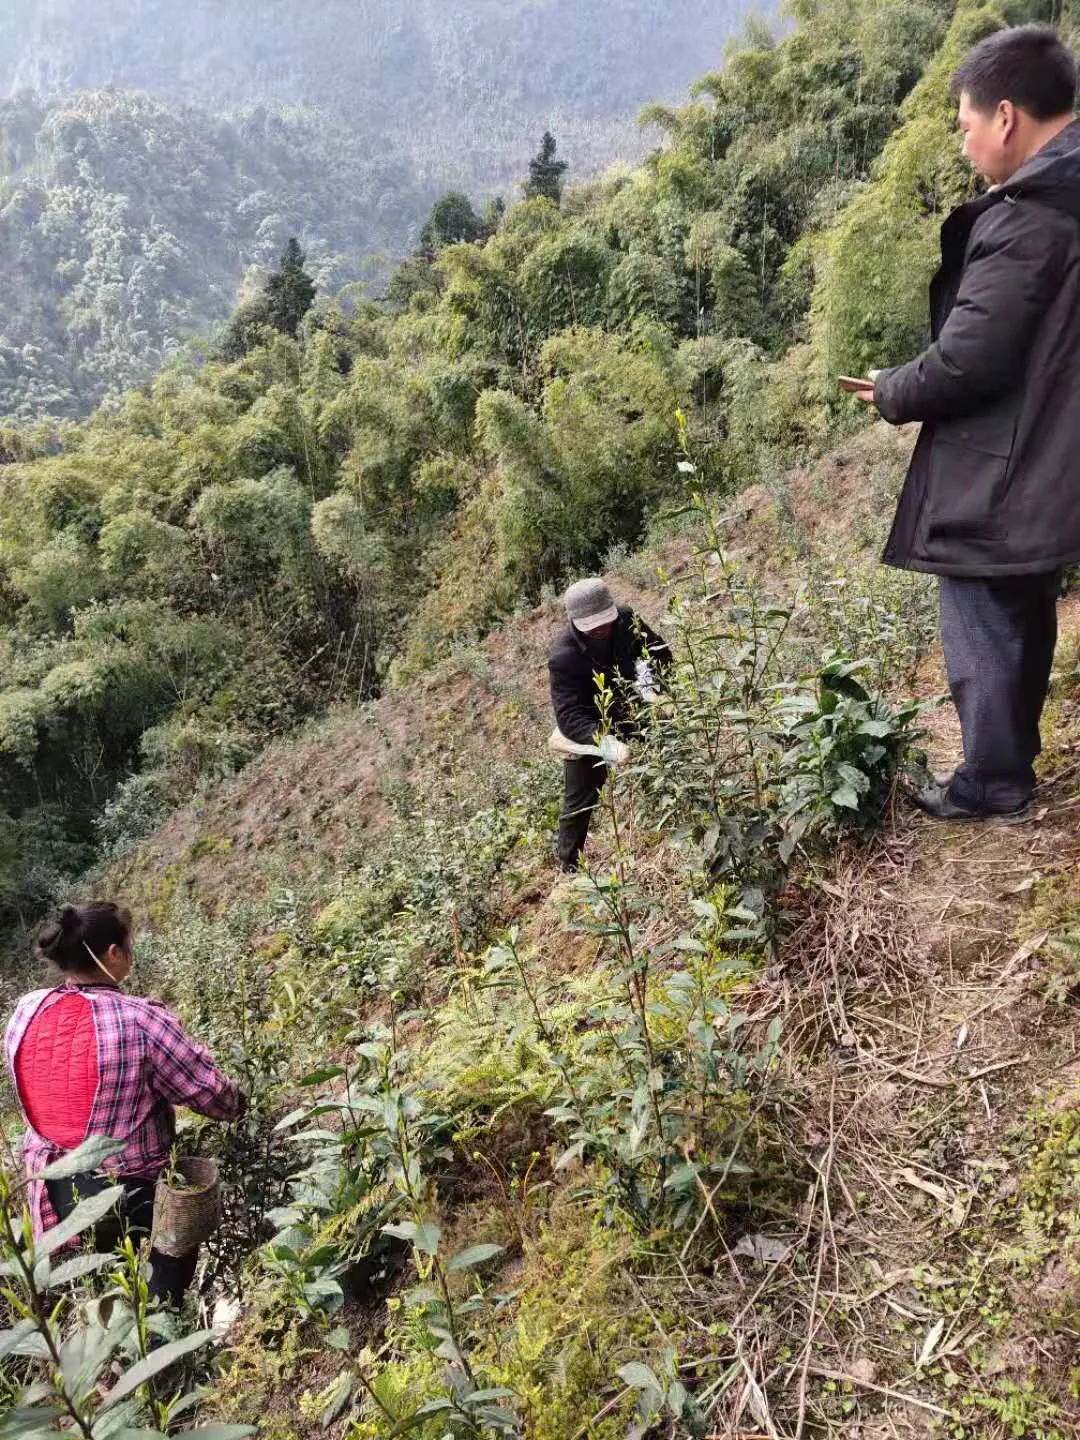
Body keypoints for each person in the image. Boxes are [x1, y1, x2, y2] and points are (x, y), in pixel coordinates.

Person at [854, 25, 1080, 821]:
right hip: (1055, 454)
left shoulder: (1027, 221)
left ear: (1007, 116)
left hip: (1007, 465)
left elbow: (967, 361)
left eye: (966, 126)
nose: (966, 144)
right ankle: (1010, 763)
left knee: (983, 612)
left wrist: (889, 390)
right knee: (1024, 608)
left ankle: (990, 783)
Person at [3, 901, 246, 1308]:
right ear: (114, 954)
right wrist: (239, 1101)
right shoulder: (139, 1020)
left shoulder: (27, 1010)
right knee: (159, 1293)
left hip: (56, 1188)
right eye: (130, 943)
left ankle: (118, 1355)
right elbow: (210, 1095)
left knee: (111, 1281)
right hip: (129, 1191)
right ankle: (162, 1356)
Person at [548, 577, 671, 871]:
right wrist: (605, 743)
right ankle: (569, 866)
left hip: (632, 704)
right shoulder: (563, 657)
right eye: (592, 625)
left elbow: (661, 654)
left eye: (605, 621)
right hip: (592, 724)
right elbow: (568, 716)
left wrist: (663, 693)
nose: (601, 629)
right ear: (575, 621)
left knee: (674, 745)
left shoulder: (627, 620)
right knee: (581, 795)